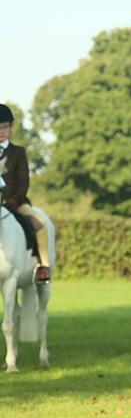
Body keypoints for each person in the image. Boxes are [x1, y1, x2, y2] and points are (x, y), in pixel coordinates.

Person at [0, 104, 52, 284]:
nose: (1, 131)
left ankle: (43, 266)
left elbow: (24, 181)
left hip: (16, 202)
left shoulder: (18, 152)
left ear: (10, 128)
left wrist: (14, 200)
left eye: (5, 127)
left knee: (40, 223)